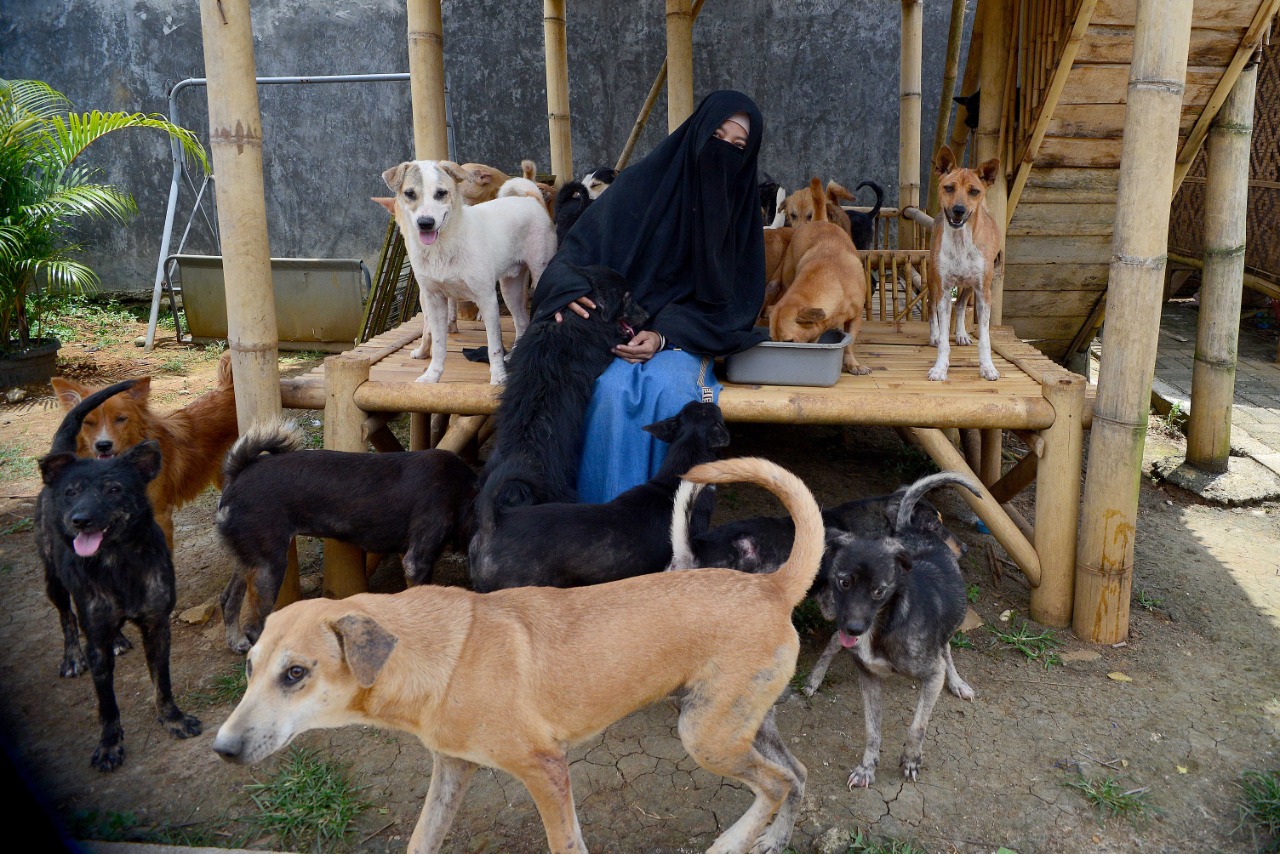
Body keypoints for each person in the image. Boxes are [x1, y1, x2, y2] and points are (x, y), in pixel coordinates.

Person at [530, 90, 767, 503]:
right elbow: (576, 252)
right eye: (717, 136)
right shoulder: (643, 184)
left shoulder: (740, 212)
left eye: (738, 147)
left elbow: (735, 303)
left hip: (685, 336)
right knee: (608, 391)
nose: (723, 152)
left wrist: (663, 336)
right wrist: (569, 290)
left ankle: (663, 534)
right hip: (614, 329)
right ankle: (599, 525)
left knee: (670, 393)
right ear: (696, 134)